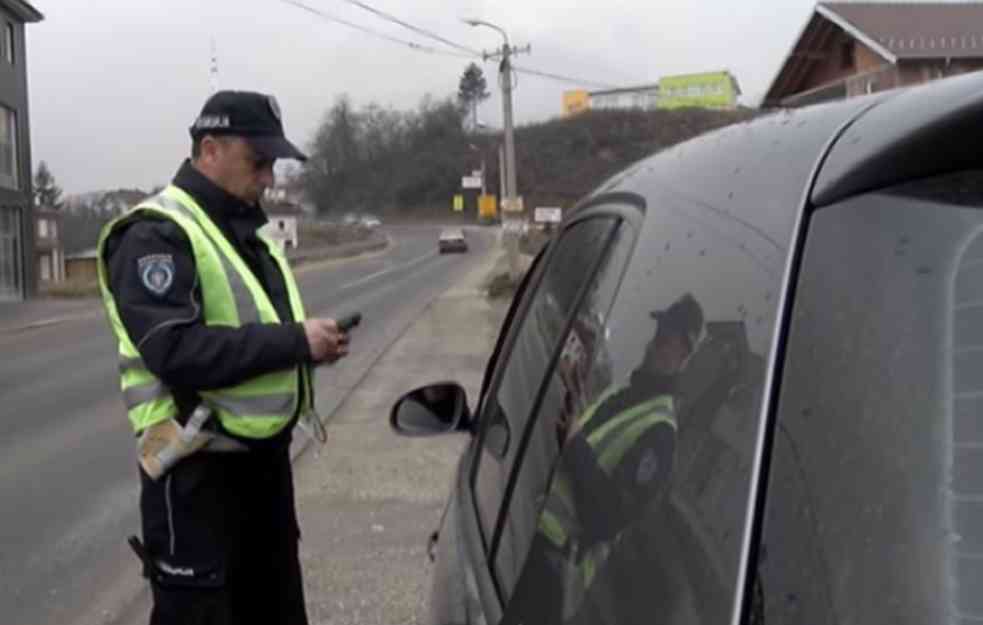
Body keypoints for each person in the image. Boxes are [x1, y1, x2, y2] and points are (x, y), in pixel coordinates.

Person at [96, 90, 348, 625]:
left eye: (274, 164)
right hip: (195, 475)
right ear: (209, 149)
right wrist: (296, 343)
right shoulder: (156, 233)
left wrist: (309, 347)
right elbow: (174, 349)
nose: (269, 177)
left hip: (261, 471)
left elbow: (252, 327)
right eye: (258, 162)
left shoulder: (244, 230)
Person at [520, 293, 704, 623]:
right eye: (659, 331)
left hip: (557, 565)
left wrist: (574, 441)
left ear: (684, 354)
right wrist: (572, 392)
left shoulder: (660, 434)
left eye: (668, 337)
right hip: (529, 532)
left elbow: (608, 516)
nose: (656, 342)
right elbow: (582, 442)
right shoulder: (621, 393)